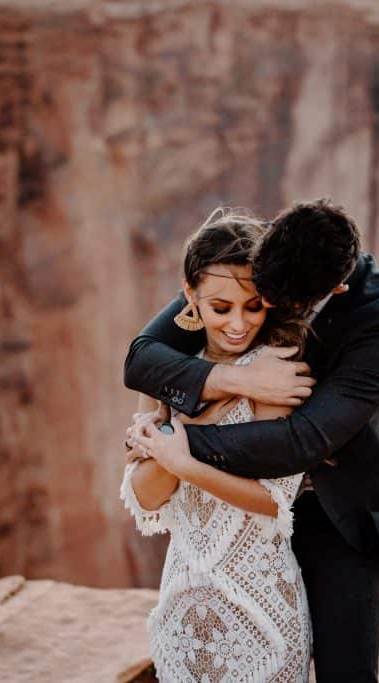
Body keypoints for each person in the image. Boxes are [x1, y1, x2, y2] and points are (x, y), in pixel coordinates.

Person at [124, 199, 379, 683]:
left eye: (272, 302)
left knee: (348, 675)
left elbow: (302, 441)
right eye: (261, 295)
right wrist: (237, 380)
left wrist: (171, 443)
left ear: (335, 288)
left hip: (334, 505)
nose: (259, 315)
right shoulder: (259, 253)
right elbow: (142, 359)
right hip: (232, 509)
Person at [120, 209, 312, 682]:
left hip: (262, 613)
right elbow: (145, 496)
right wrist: (187, 430)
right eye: (221, 308)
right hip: (183, 614)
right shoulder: (166, 374)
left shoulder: (275, 369)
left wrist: (181, 461)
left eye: (254, 306)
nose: (238, 323)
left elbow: (274, 501)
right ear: (190, 296)